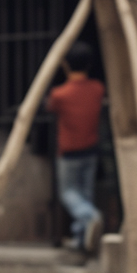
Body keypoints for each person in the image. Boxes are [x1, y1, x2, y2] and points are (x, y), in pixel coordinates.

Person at [46, 41, 106, 255]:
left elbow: (49, 107)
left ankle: (90, 216)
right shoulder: (98, 89)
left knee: (69, 193)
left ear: (65, 64)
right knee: (85, 192)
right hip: (91, 148)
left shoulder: (60, 95)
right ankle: (81, 239)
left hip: (69, 151)